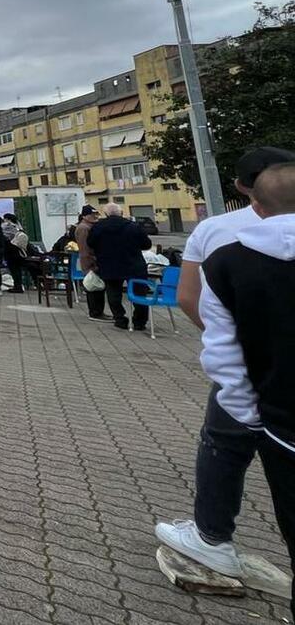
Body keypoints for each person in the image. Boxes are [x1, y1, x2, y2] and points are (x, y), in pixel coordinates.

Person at [155, 147, 295, 579]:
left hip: (248, 377)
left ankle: (212, 536)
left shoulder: (218, 238)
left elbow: (190, 299)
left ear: (242, 189)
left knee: (223, 449)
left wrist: (232, 349)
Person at [195, 163, 295, 611]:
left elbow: (224, 352)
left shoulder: (225, 259)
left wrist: (251, 415)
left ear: (252, 200)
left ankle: (212, 536)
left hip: (279, 423)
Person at [86, 203, 151, 330]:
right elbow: (146, 244)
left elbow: (91, 243)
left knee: (113, 293)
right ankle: (139, 321)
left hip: (109, 265)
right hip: (134, 264)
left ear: (106, 214)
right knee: (139, 293)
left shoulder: (98, 227)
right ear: (121, 213)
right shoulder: (133, 226)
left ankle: (120, 318)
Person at [74, 206, 105, 321]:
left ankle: (97, 311)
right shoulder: (84, 228)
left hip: (91, 261)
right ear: (85, 216)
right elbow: (85, 248)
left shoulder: (89, 226)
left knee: (97, 286)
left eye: (96, 214)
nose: (95, 216)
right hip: (90, 262)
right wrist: (92, 263)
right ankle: (95, 312)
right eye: (93, 214)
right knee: (93, 286)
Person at [2, 213, 30, 294]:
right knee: (17, 270)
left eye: (5, 218)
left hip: (12, 251)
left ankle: (17, 286)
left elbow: (5, 238)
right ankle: (18, 286)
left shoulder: (8, 227)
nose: (4, 220)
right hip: (18, 251)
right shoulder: (18, 227)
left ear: (8, 219)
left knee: (14, 270)